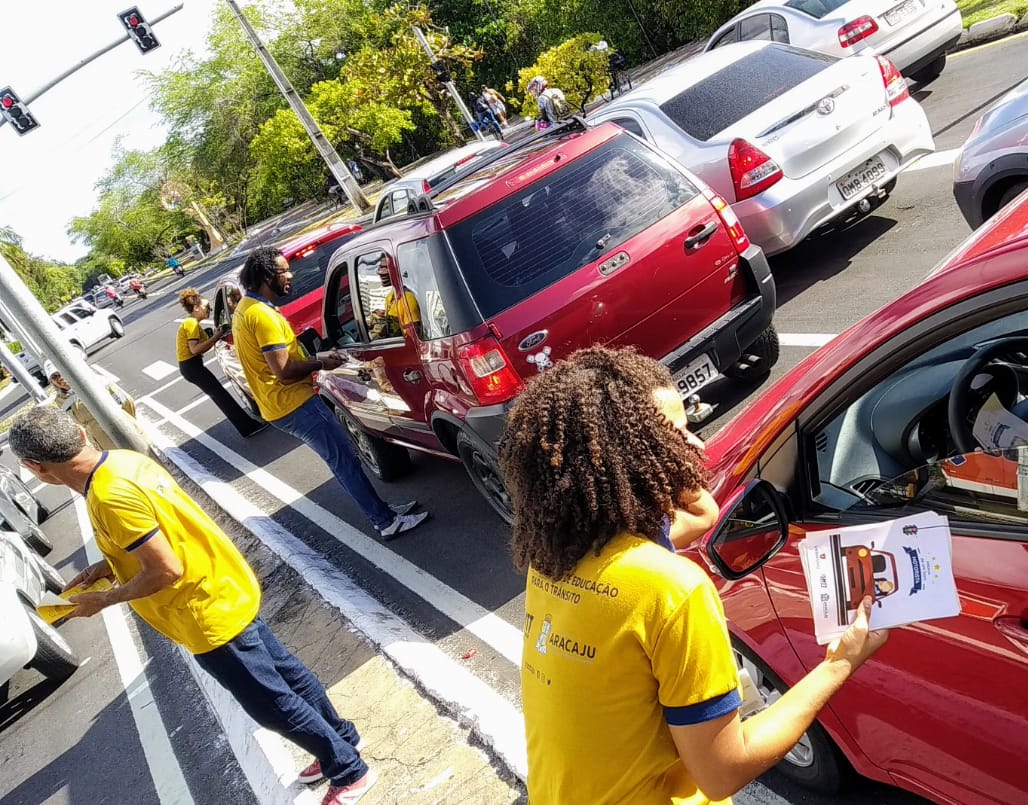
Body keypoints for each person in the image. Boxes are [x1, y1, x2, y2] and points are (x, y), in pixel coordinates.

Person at [498, 346, 888, 803]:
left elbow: (702, 516)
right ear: (636, 455)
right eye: (675, 437)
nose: (697, 448)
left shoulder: (555, 557)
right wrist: (839, 663)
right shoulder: (671, 591)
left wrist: (666, 458)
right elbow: (723, 773)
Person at [7, 406, 378, 805]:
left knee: (271, 704)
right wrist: (110, 565)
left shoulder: (108, 496)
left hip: (203, 613)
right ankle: (339, 739)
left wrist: (104, 599)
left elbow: (165, 569)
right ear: (80, 434)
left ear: (34, 467)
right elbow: (162, 533)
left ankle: (349, 771)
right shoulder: (122, 463)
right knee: (288, 675)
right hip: (224, 585)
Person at [233, 247, 429, 540]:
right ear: (265, 276)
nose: (290, 276)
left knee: (341, 459)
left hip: (280, 405)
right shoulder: (261, 316)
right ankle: (385, 521)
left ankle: (383, 512)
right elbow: (284, 370)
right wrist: (322, 362)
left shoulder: (247, 310)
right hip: (294, 404)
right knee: (344, 460)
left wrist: (318, 356)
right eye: (285, 271)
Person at [175, 288, 265, 438]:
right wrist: (216, 336)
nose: (209, 310)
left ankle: (247, 426)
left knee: (220, 395)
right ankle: (247, 428)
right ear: (196, 308)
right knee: (220, 396)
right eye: (206, 307)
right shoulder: (191, 323)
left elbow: (200, 348)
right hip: (192, 367)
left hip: (192, 367)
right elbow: (195, 349)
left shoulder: (193, 323)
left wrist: (214, 336)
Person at [46, 361, 146, 451]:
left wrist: (127, 423)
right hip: (106, 446)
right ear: (52, 382)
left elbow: (126, 402)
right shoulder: (60, 401)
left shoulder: (96, 381)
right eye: (54, 376)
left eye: (61, 372)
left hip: (128, 434)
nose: (60, 377)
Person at [369, 255, 421, 340]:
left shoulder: (407, 299)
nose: (381, 273)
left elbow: (413, 339)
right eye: (380, 268)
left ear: (398, 270)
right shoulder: (390, 297)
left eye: (386, 268)